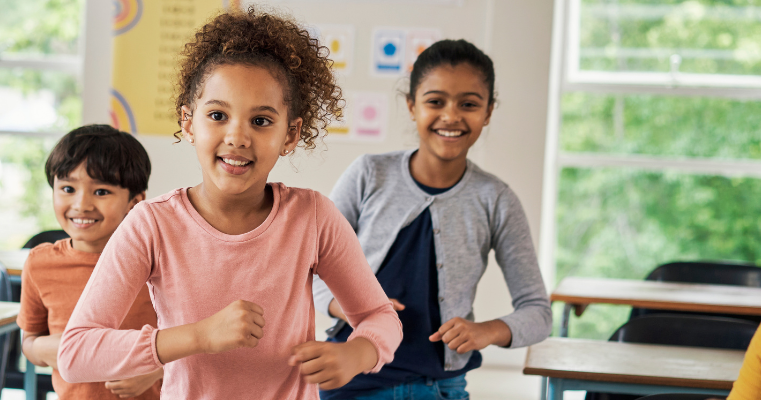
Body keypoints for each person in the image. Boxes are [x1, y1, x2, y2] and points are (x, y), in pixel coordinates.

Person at [58, 8, 403, 399]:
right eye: (218, 115)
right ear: (188, 123)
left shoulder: (313, 217)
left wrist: (359, 353)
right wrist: (198, 336)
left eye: (261, 121)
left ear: (291, 134)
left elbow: (379, 316)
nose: (237, 136)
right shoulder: (150, 225)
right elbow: (76, 353)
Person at [313, 39, 552, 400]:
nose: (451, 116)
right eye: (435, 101)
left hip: (440, 388)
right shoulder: (368, 174)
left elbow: (539, 313)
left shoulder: (497, 200)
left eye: (469, 104)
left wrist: (488, 330)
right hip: (351, 379)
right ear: (412, 106)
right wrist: (350, 306)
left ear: (488, 112)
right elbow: (309, 269)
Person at [18, 124, 162, 399]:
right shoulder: (40, 263)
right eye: (68, 188)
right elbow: (29, 342)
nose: (81, 204)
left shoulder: (158, 262)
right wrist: (49, 349)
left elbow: (197, 342)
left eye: (101, 192)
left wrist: (155, 369)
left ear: (135, 202)